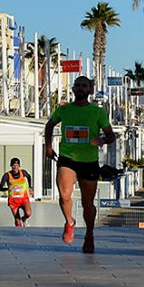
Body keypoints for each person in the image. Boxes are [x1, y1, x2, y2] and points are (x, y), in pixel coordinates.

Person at [45, 75, 115, 254]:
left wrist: (101, 140)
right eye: (77, 85)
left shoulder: (97, 112)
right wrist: (49, 146)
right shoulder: (64, 109)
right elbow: (50, 125)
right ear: (73, 89)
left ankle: (89, 235)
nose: (80, 88)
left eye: (84, 85)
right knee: (64, 194)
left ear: (90, 90)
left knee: (87, 203)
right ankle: (69, 221)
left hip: (89, 161)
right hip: (67, 158)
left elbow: (111, 136)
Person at [0, 157, 33, 227]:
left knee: (28, 213)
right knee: (17, 220)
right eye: (13, 165)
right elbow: (0, 188)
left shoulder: (23, 172)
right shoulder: (7, 175)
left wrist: (30, 187)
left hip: (23, 198)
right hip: (13, 200)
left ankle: (24, 219)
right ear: (11, 166)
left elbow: (29, 176)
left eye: (17, 165)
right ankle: (19, 235)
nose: (15, 167)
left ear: (19, 166)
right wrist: (7, 188)